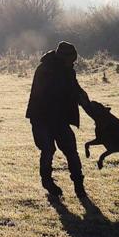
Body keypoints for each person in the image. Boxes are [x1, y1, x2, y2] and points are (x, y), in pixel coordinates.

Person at [26, 41, 90, 198]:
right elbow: (53, 94)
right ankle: (47, 182)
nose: (73, 63)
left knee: (71, 151)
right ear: (64, 58)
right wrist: (77, 97)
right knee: (48, 150)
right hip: (41, 117)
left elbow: (75, 89)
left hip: (59, 119)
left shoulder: (67, 71)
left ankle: (79, 186)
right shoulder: (45, 70)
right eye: (72, 60)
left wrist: (90, 106)